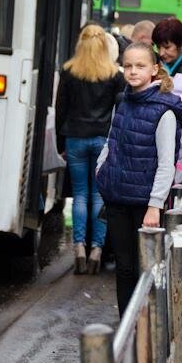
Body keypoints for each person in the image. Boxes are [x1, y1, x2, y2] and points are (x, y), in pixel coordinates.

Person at [96, 43, 182, 315]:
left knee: (144, 268)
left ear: (154, 70)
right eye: (128, 66)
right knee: (124, 267)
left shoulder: (164, 109)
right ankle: (127, 324)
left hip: (144, 204)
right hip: (117, 198)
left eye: (140, 66)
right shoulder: (122, 101)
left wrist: (155, 205)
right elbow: (111, 142)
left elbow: (165, 163)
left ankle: (147, 328)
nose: (133, 71)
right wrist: (102, 171)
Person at [55, 23, 125, 274]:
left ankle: (79, 248)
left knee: (80, 195)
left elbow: (61, 109)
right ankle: (97, 249)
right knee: (98, 196)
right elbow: (120, 111)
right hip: (103, 140)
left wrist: (60, 143)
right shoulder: (115, 76)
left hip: (75, 137)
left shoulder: (69, 71)